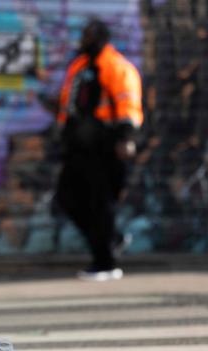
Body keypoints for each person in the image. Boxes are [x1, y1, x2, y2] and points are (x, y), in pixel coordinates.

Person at [55, 19, 143, 281]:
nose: (82, 39)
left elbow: (128, 104)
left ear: (99, 37)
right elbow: (68, 105)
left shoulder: (115, 66)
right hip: (79, 149)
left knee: (100, 204)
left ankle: (105, 263)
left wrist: (126, 138)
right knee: (67, 198)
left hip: (105, 148)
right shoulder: (79, 66)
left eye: (87, 35)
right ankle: (111, 239)